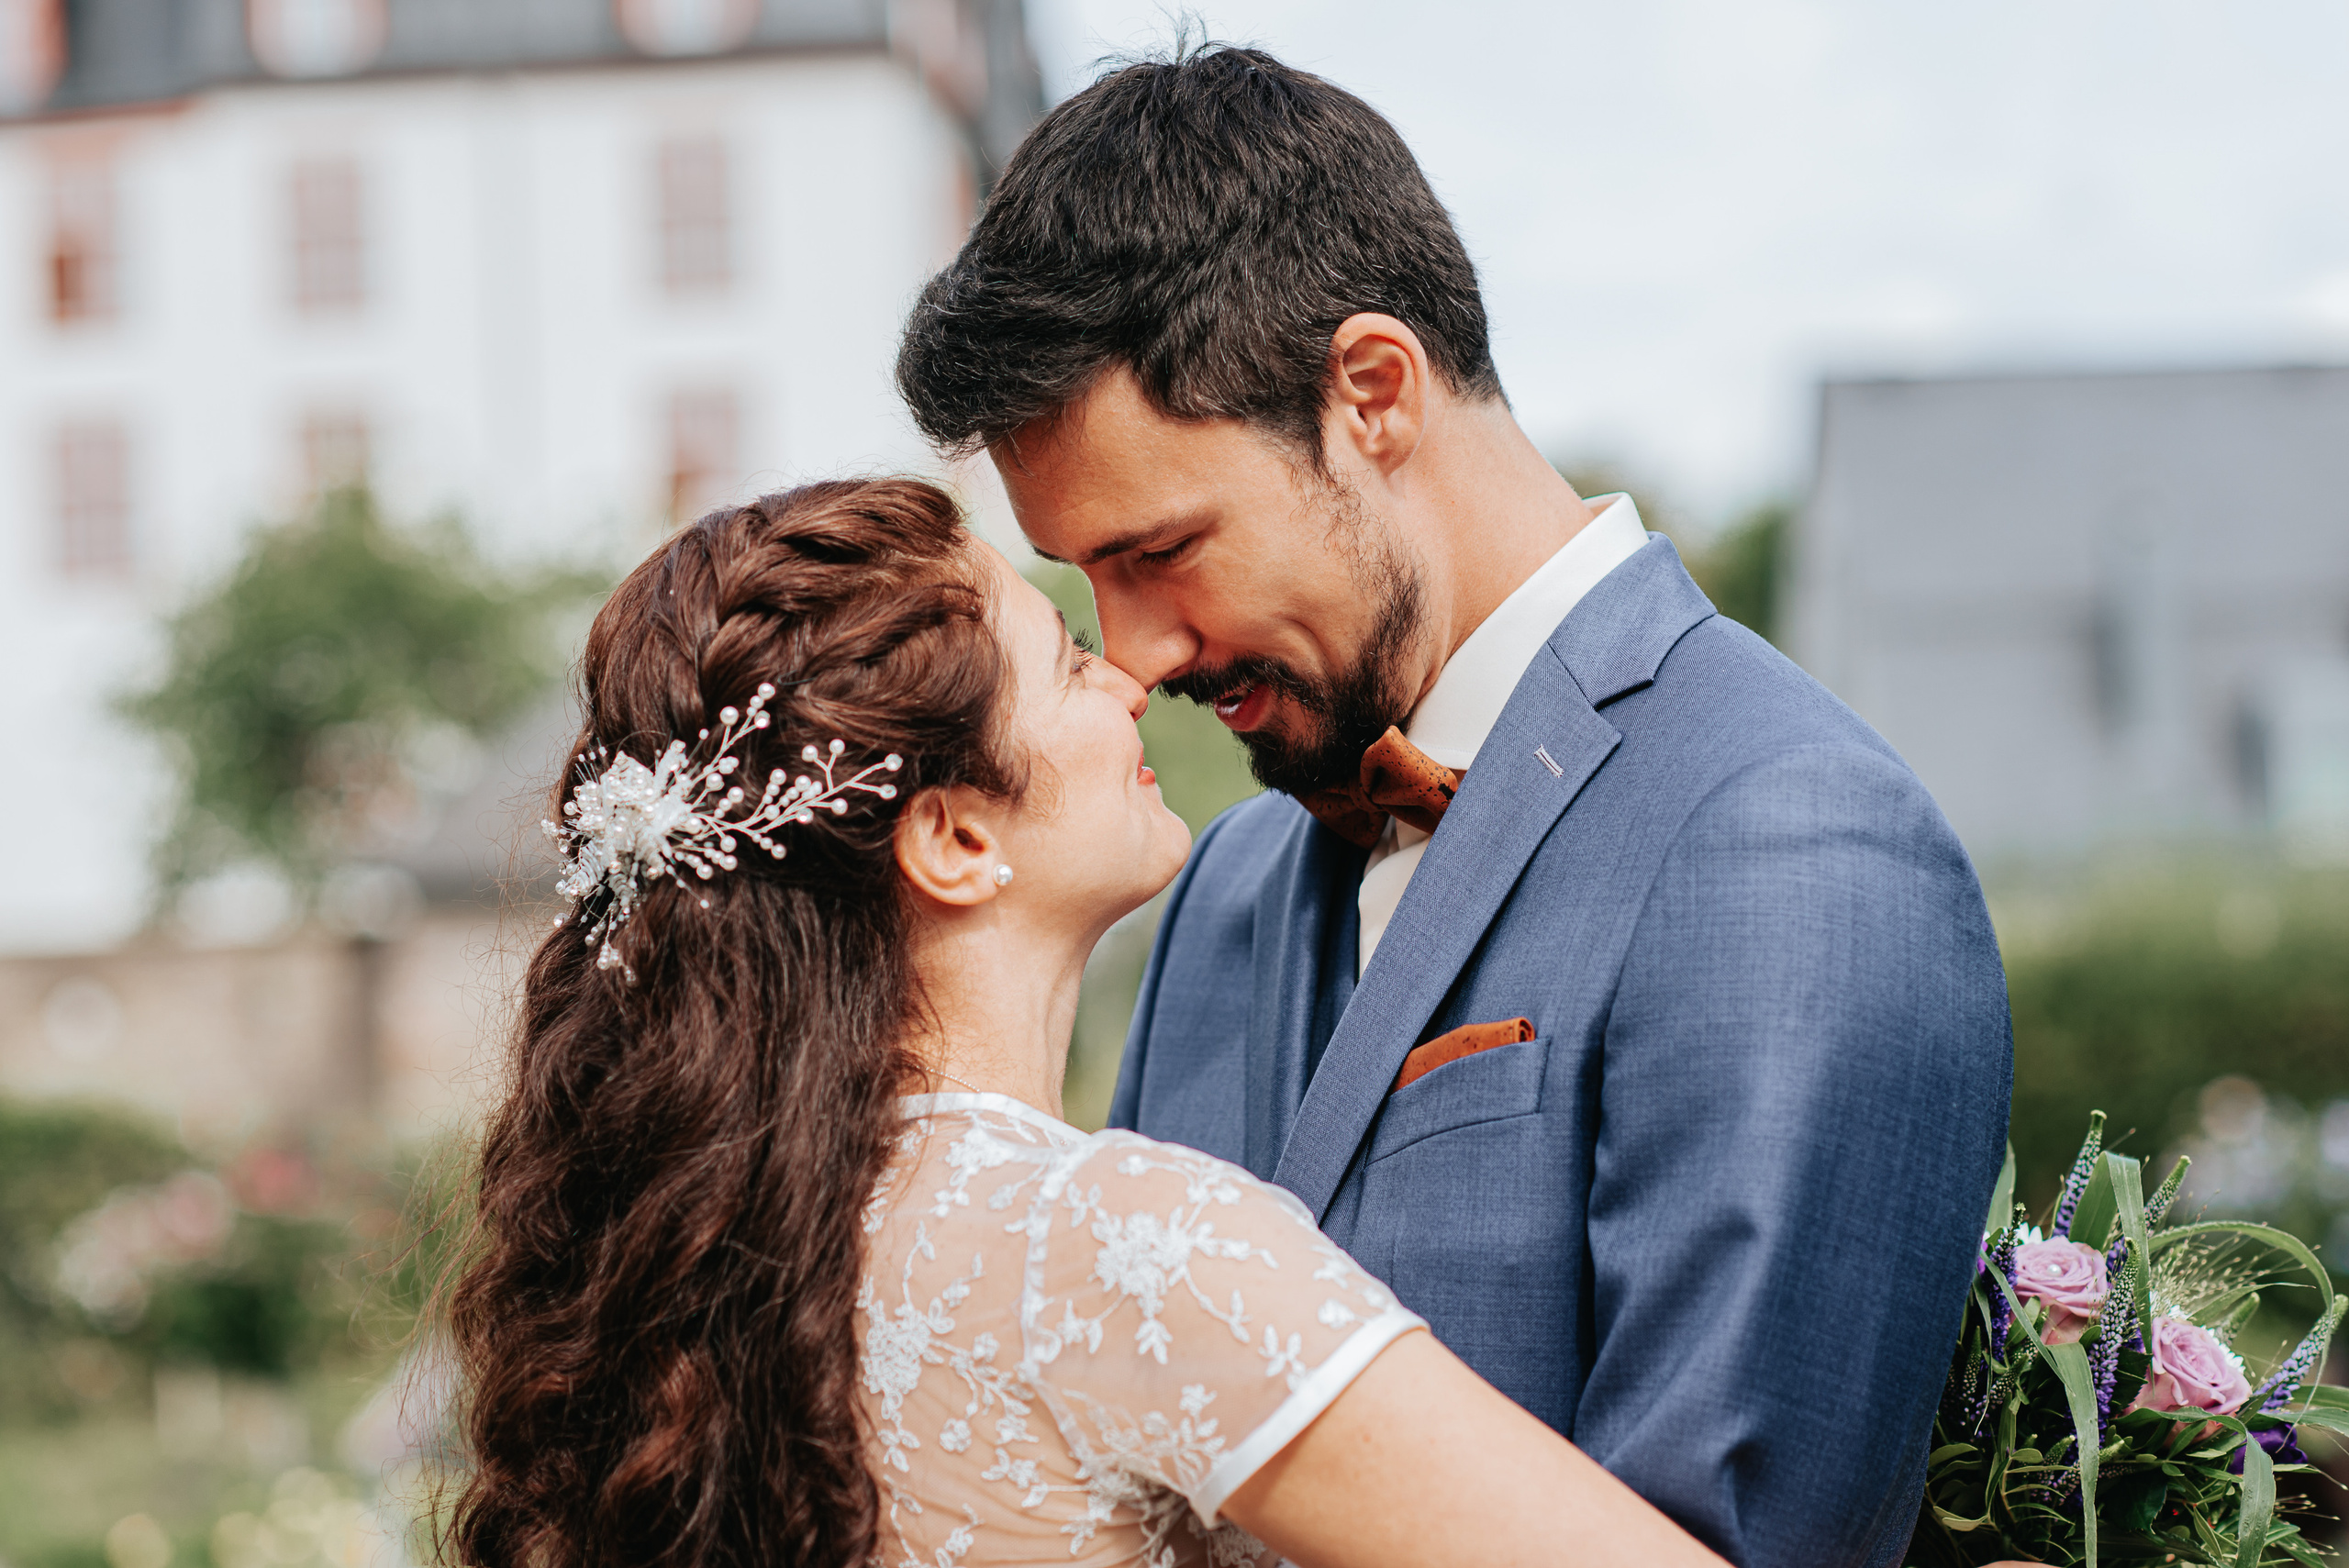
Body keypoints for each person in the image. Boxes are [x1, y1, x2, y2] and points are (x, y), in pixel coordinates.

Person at [895, 45, 2014, 1568]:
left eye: (1158, 549)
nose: (1137, 652)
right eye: (1086, 580)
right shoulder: (1215, 889)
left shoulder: (1792, 838)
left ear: (1371, 393)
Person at [443, 481, 1737, 1568]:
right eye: (1064, 660)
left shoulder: (725, 1270)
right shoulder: (1123, 1250)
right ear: (954, 837)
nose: (1125, 678)